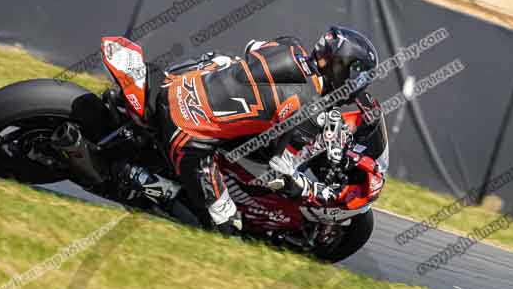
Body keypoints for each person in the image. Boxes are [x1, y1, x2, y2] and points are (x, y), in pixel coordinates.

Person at [138, 26, 382, 235]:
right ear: (340, 67)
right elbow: (277, 176)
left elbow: (252, 47)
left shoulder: (290, 45)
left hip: (177, 87)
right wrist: (316, 190)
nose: (357, 85)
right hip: (188, 135)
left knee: (225, 61)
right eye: (357, 76)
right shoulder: (312, 111)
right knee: (229, 228)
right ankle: (145, 182)